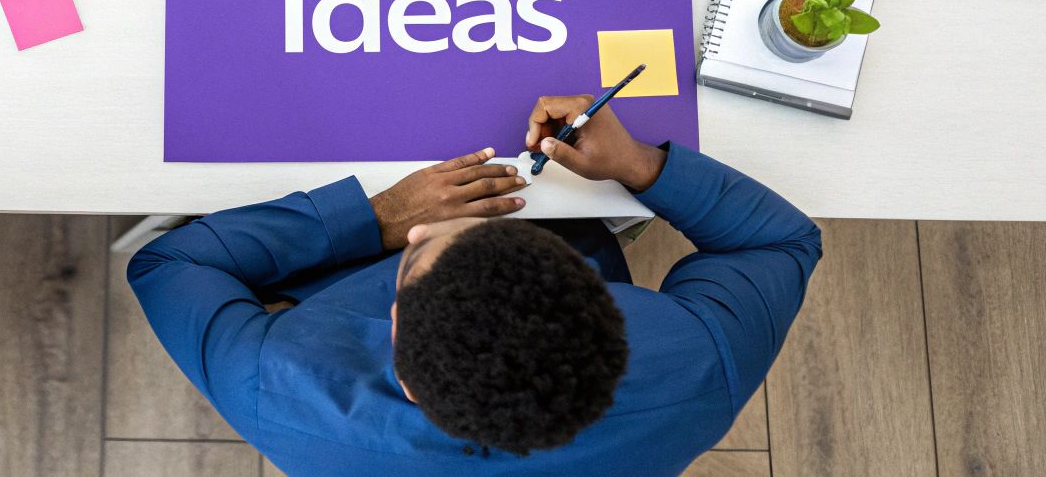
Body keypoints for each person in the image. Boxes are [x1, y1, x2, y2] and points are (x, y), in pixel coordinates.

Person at [127, 96, 823, 475]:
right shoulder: (701, 365)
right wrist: (640, 163)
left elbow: (167, 264)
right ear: (609, 310)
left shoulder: (275, 383)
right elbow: (781, 240)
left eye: (415, 260)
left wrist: (377, 219)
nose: (431, 231)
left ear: (400, 353)